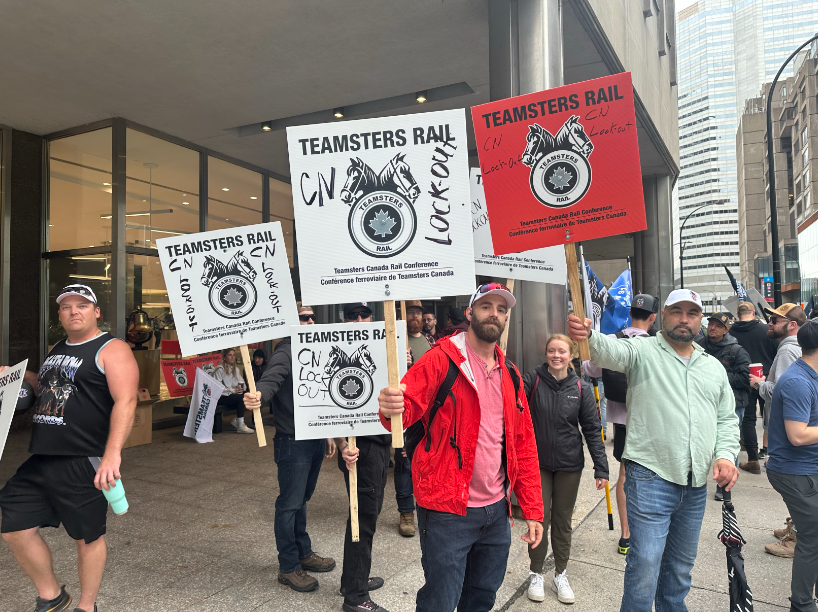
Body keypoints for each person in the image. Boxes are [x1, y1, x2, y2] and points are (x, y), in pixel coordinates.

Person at [567, 288, 740, 612]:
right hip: (649, 479)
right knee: (644, 569)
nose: (684, 319)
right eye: (677, 311)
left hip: (694, 487)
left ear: (700, 319)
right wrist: (588, 335)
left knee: (679, 572)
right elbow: (608, 352)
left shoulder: (712, 368)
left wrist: (725, 456)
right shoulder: (643, 351)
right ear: (663, 316)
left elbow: (726, 419)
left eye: (691, 313)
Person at [378, 283, 544, 612]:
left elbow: (523, 444)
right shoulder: (439, 360)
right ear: (470, 313)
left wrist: (533, 508)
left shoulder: (510, 373)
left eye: (501, 309)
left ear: (507, 318)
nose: (493, 314)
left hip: (497, 513)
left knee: (481, 597)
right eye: (486, 306)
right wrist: (390, 406)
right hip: (446, 511)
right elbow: (401, 413)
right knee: (440, 601)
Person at [0, 284, 139, 612]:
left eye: (82, 305)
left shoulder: (111, 348)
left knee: (86, 538)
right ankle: (52, 596)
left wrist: (112, 454)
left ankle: (86, 607)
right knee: (12, 523)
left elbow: (126, 400)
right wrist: (16, 376)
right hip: (44, 456)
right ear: (60, 315)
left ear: (96, 312)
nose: (73, 311)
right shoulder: (60, 347)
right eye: (66, 307)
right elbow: (49, 383)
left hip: (83, 458)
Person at [243, 304, 336, 593]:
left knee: (302, 499)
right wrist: (258, 394)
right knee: (290, 503)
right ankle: (288, 566)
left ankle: (303, 552)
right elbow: (272, 378)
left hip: (315, 437)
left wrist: (329, 433)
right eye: (302, 318)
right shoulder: (286, 349)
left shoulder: (314, 349)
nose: (309, 321)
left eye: (311, 317)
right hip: (293, 441)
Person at [524, 334, 608, 604]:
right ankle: (536, 573)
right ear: (546, 353)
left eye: (561, 351)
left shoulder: (581, 388)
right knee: (538, 520)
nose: (556, 356)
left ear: (571, 355)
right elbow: (510, 397)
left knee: (562, 521)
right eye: (551, 351)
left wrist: (601, 467)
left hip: (570, 465)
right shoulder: (533, 381)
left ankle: (561, 573)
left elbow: (593, 429)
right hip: (538, 463)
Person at [581, 293, 659, 556]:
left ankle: (626, 535)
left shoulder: (614, 340)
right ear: (653, 317)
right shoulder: (659, 345)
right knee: (654, 474)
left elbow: (590, 369)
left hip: (622, 418)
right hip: (651, 418)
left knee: (625, 475)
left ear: (630, 314)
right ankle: (649, 531)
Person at [333, 302, 390, 612]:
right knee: (362, 518)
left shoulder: (383, 347)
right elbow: (327, 408)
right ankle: (355, 597)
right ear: (344, 318)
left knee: (366, 515)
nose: (359, 319)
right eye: (353, 315)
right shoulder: (334, 347)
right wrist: (342, 444)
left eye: (364, 314)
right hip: (360, 449)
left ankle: (353, 578)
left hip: (380, 445)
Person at [766, 320, 818, 611]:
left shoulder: (811, 374)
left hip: (808, 468)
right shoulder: (799, 381)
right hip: (795, 472)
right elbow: (798, 435)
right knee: (812, 537)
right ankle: (802, 604)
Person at [751, 303, 806, 559]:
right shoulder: (798, 347)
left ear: (792, 325)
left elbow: (780, 390)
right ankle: (794, 527)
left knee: (791, 480)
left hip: (787, 426)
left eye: (775, 320)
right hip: (794, 423)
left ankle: (796, 536)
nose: (770, 323)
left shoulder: (787, 349)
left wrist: (760, 384)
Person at [696, 312, 751, 501]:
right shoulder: (699, 346)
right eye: (711, 324)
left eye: (718, 325)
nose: (712, 328)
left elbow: (746, 379)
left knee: (728, 445)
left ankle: (725, 486)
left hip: (732, 405)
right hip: (704, 403)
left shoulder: (737, 350)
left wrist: (717, 376)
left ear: (726, 329)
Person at [730, 301, 776, 474]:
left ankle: (753, 459)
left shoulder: (732, 332)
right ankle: (773, 458)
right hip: (766, 378)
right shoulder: (765, 330)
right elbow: (776, 352)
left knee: (748, 421)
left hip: (744, 380)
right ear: (753, 312)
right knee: (771, 419)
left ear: (737, 313)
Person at [213, 347, 253, 434]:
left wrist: (241, 388)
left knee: (249, 395)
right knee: (241, 398)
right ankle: (240, 425)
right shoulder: (220, 369)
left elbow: (242, 383)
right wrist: (233, 390)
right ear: (224, 356)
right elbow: (217, 388)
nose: (232, 357)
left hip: (231, 394)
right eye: (230, 355)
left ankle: (237, 420)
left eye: (234, 355)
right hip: (221, 396)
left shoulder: (235, 369)